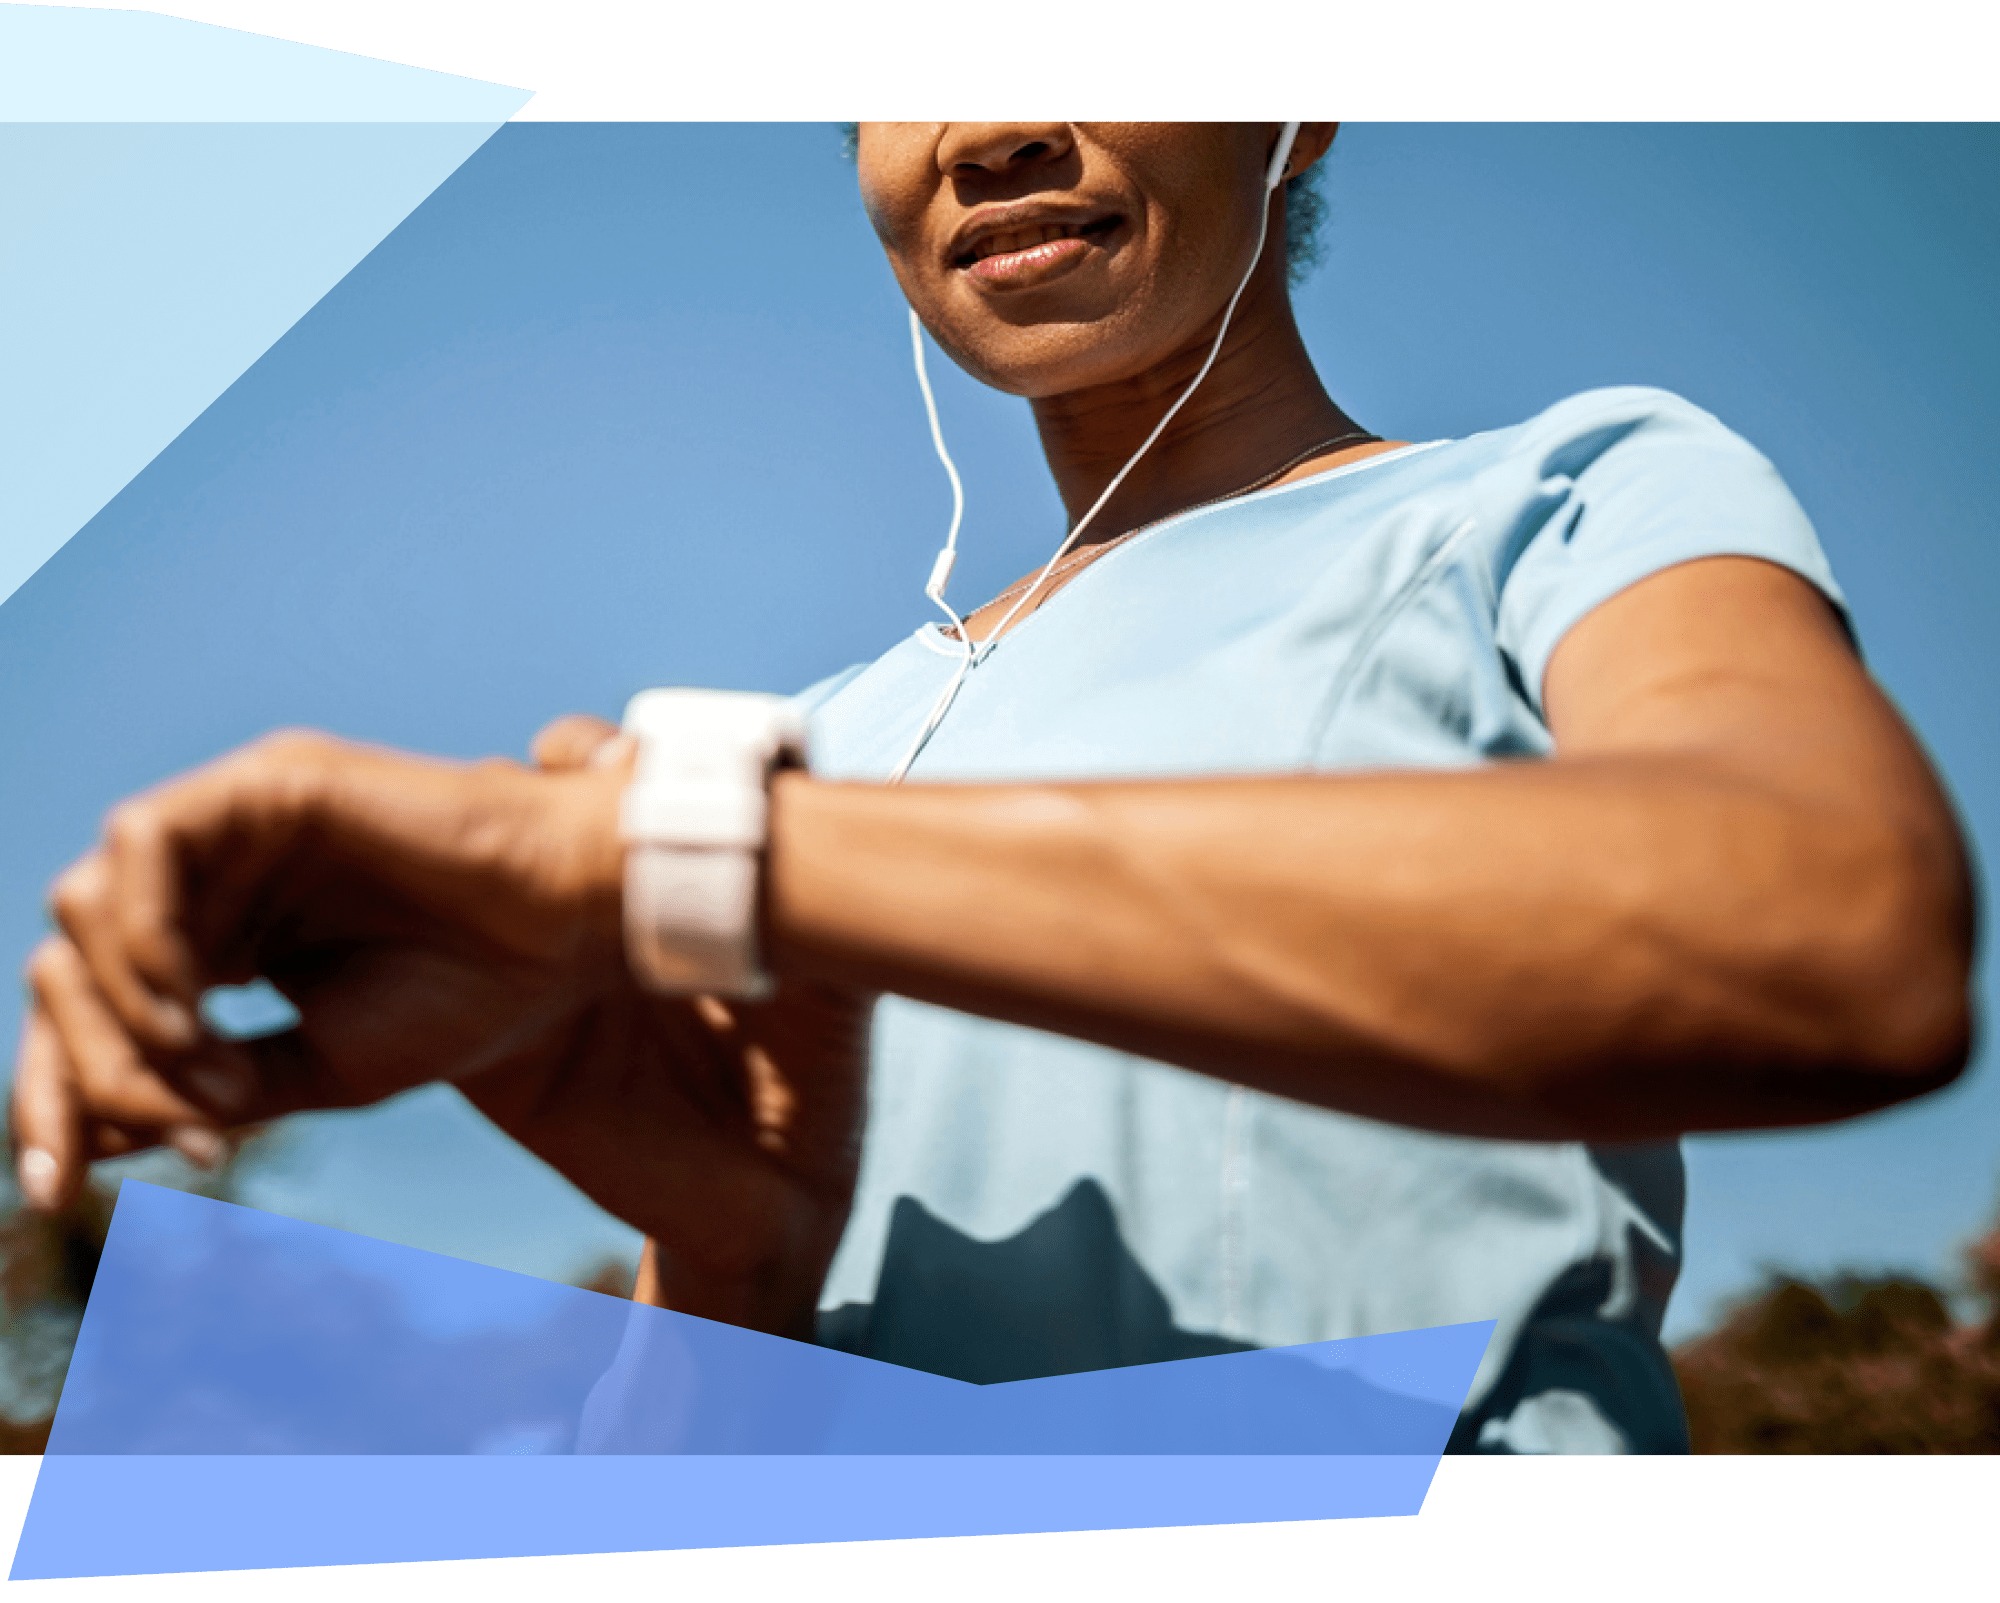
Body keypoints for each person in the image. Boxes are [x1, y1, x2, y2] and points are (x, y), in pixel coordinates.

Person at [10, 123, 1974, 1454]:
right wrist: (736, 1257)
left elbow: (1836, 938)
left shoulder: (1565, 501)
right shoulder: (798, 756)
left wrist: (702, 851)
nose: (988, 125)